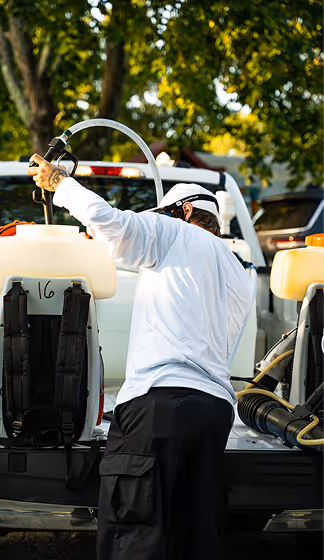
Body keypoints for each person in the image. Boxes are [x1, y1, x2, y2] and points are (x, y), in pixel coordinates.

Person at [27, 155, 254, 560]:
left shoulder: (174, 233)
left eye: (164, 214)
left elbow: (108, 222)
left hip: (160, 406)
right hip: (215, 412)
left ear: (184, 210)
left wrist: (59, 183)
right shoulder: (240, 271)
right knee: (193, 537)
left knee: (133, 534)